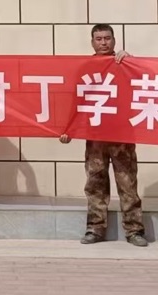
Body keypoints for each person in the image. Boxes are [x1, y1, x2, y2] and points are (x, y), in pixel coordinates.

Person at [59, 25, 148, 246]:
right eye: (98, 39)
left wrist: (131, 60)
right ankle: (95, 229)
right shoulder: (86, 68)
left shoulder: (124, 64)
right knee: (95, 183)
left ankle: (134, 230)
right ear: (92, 42)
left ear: (114, 40)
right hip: (95, 135)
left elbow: (145, 81)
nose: (103, 43)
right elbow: (78, 101)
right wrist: (69, 129)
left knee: (127, 184)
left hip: (122, 135)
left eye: (107, 38)